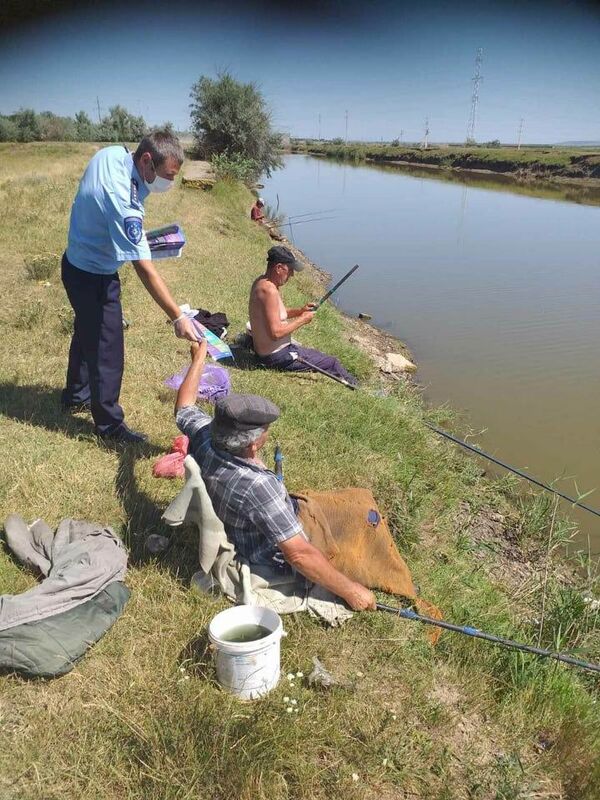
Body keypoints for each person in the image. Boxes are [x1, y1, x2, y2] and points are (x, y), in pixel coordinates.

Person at [174, 339, 376, 612]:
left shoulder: (205, 437)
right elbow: (298, 554)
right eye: (266, 429)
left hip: (241, 521)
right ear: (253, 444)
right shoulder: (258, 486)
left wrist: (198, 358)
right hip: (266, 554)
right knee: (359, 509)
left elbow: (184, 406)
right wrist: (351, 591)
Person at [61, 129, 198, 443]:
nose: (170, 183)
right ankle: (109, 426)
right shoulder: (125, 200)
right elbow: (144, 268)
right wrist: (178, 317)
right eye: (167, 175)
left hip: (76, 262)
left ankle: (76, 395)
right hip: (94, 274)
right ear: (147, 160)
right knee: (107, 349)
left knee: (87, 329)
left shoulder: (111, 154)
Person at [248, 246, 358, 385]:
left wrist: (300, 311)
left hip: (277, 351)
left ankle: (350, 378)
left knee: (319, 355)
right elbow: (275, 333)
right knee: (332, 362)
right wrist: (302, 319)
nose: (292, 275)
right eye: (290, 270)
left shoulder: (263, 282)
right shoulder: (269, 291)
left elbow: (277, 314)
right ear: (279, 268)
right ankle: (357, 387)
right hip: (275, 357)